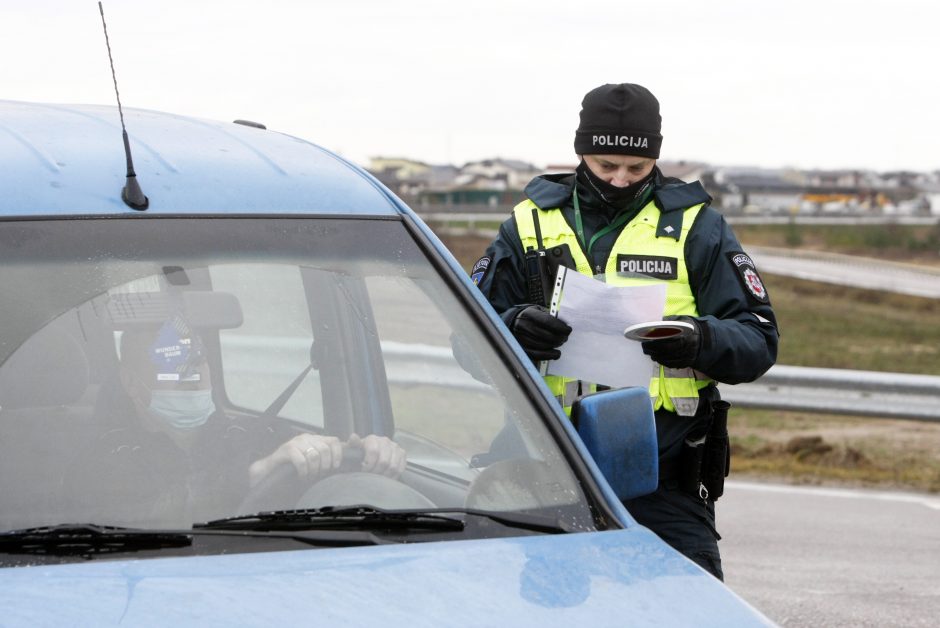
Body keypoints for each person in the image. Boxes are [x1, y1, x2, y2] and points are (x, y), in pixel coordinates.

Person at [472, 83, 779, 579]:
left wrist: (700, 339)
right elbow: (466, 339)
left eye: (635, 169)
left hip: (664, 481)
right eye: (604, 165)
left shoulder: (697, 226)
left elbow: (760, 339)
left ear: (655, 160)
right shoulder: (528, 224)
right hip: (544, 473)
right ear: (580, 154)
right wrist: (513, 328)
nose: (619, 180)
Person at [65, 316, 405, 526]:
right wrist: (256, 475)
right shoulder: (103, 461)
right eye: (172, 363)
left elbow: (318, 464)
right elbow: (143, 519)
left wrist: (366, 455)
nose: (193, 374)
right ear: (129, 381)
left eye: (198, 361)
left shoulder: (250, 434)